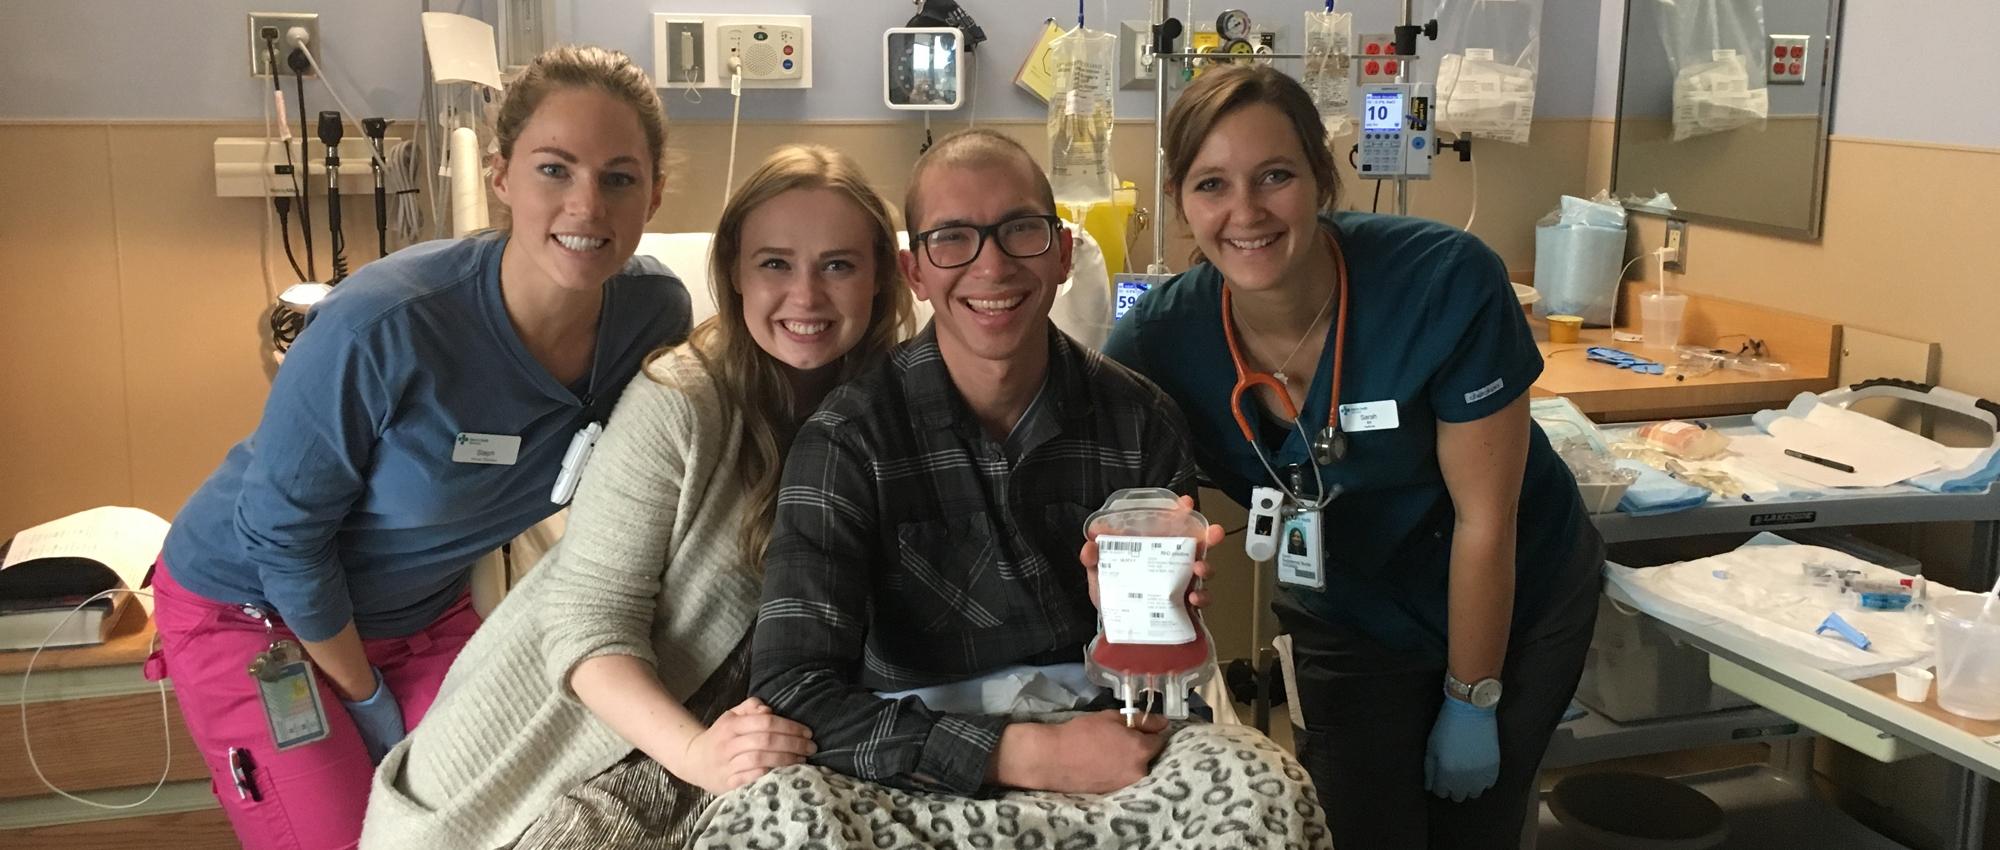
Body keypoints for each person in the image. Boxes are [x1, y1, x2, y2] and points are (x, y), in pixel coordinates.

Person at [707, 128, 1330, 850]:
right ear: (914, 271)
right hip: (903, 765)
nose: (992, 265)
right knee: (769, 817)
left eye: (1021, 231)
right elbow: (792, 689)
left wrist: (1141, 627)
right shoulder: (849, 440)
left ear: (1063, 252)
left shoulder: (1138, 421)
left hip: (1106, 741)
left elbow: (1162, 688)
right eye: (952, 239)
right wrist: (1023, 752)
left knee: (1267, 789)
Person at [145, 45, 691, 850]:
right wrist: (366, 701)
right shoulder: (389, 324)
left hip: (422, 615)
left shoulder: (654, 317)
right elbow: (281, 537)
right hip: (255, 610)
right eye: (554, 169)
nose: (587, 206)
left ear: (655, 193)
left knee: (507, 823)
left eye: (618, 177)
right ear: (501, 177)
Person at [1105, 64, 1604, 849]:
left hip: (1515, 587)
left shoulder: (1441, 282)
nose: (1245, 213)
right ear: (1179, 202)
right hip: (1347, 607)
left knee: (1472, 827)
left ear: (1321, 177)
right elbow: (1143, 522)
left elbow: (1486, 518)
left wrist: (1472, 700)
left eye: (1276, 176)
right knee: (1354, 826)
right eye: (1211, 185)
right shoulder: (1157, 343)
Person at [360, 144, 914, 849]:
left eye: (837, 265)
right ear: (736, 275)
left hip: (749, 748)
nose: (805, 296)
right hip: (568, 747)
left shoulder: (894, 410)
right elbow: (587, 624)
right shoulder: (681, 401)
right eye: (775, 263)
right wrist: (697, 756)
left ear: (881, 280)